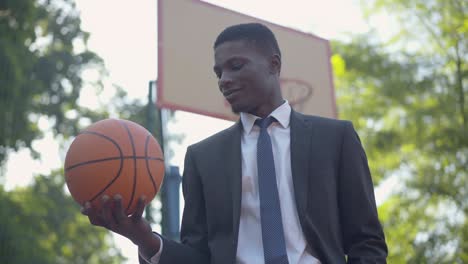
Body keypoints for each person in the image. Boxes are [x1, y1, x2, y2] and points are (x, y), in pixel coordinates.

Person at [82, 23, 388, 264]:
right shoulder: (203, 158)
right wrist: (145, 239)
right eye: (219, 72)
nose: (224, 79)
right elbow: (199, 256)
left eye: (236, 66)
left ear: (274, 64)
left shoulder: (335, 139)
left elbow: (367, 242)